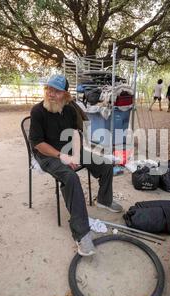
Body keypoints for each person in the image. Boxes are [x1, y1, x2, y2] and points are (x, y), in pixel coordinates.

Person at [28, 75, 123, 257]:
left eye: (56, 91)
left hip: (69, 149)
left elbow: (76, 134)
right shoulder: (38, 111)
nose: (51, 94)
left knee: (105, 164)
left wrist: (76, 155)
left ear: (65, 94)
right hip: (47, 154)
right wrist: (62, 156)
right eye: (48, 89)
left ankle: (104, 199)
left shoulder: (70, 109)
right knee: (71, 177)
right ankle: (81, 233)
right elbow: (38, 143)